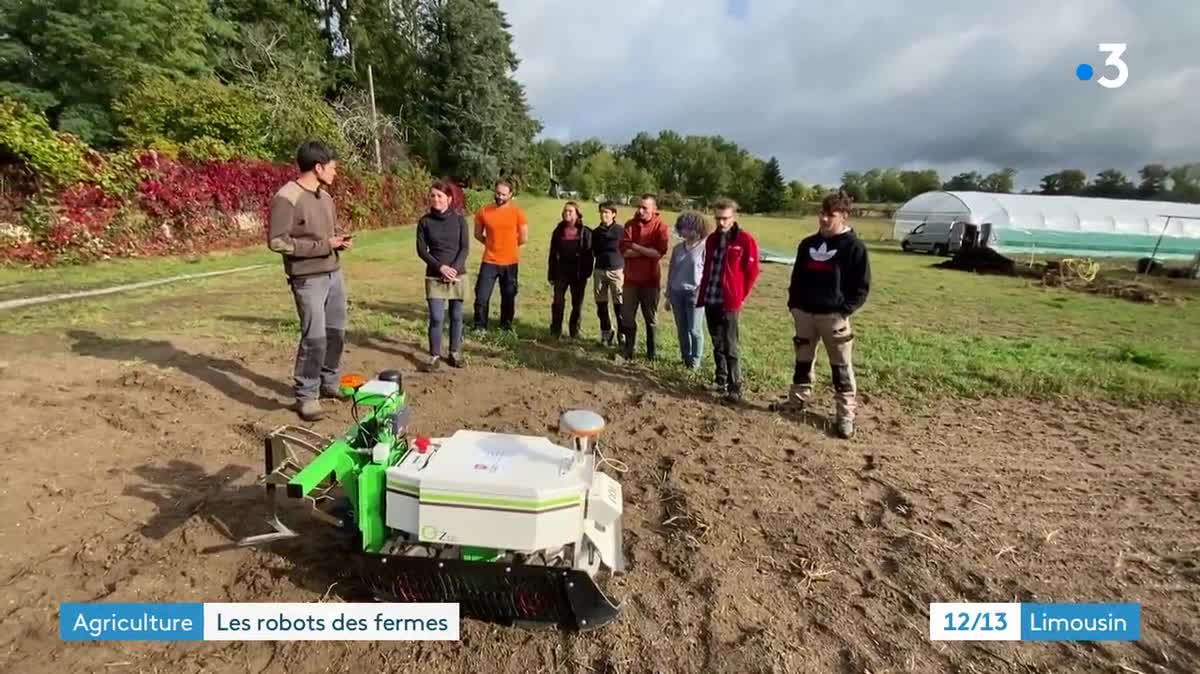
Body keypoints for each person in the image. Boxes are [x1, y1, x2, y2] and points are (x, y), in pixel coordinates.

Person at [267, 140, 352, 422]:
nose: (335, 173)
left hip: (333, 273)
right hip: (307, 279)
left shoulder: (325, 198)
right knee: (314, 338)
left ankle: (329, 382)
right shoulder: (286, 197)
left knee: (336, 332)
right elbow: (277, 242)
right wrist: (322, 246)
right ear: (318, 167)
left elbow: (326, 234)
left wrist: (337, 241)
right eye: (332, 168)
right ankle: (307, 396)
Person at [781, 188, 871, 439]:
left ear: (844, 216)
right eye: (822, 213)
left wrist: (843, 311)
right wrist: (794, 305)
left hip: (834, 318)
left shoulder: (854, 248)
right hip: (804, 316)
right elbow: (797, 277)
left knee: (841, 368)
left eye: (830, 214)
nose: (823, 219)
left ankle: (845, 416)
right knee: (802, 362)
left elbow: (861, 287)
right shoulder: (808, 244)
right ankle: (797, 401)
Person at [695, 198, 760, 402]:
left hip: (729, 301)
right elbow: (707, 269)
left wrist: (740, 296)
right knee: (717, 342)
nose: (721, 223)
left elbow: (752, 272)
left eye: (725, 218)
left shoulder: (745, 241)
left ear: (734, 217)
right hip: (711, 297)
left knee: (731, 345)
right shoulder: (712, 240)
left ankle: (735, 386)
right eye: (718, 218)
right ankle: (720, 380)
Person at [416, 179, 470, 370]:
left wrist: (453, 268)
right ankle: (434, 356)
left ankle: (455, 352)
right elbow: (422, 251)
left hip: (458, 275)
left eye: (439, 196)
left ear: (448, 198)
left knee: (456, 316)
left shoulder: (460, 220)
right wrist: (441, 268)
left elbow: (464, 248)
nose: (435, 199)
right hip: (435, 275)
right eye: (432, 195)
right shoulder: (425, 222)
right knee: (437, 317)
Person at [618, 194, 670, 360]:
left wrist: (635, 246)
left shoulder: (660, 227)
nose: (640, 211)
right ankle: (628, 349)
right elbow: (625, 251)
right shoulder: (629, 225)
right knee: (627, 315)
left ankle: (651, 351)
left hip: (650, 281)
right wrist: (646, 250)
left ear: (654, 209)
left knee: (651, 317)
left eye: (644, 208)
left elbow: (658, 253)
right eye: (638, 207)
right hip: (630, 281)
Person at [472, 179, 528, 331]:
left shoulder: (518, 213)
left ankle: (505, 326)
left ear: (510, 195)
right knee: (482, 296)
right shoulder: (484, 211)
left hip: (510, 263)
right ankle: (479, 326)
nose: (500, 197)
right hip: (489, 261)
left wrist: (508, 246)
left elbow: (523, 238)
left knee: (508, 297)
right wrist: (491, 244)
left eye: (504, 194)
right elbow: (477, 234)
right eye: (498, 193)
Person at [666, 211, 710, 370]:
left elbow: (708, 273)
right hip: (677, 292)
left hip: (695, 294)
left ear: (695, 228)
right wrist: (668, 294)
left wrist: (701, 291)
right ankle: (685, 358)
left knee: (694, 329)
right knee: (682, 328)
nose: (682, 231)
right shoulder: (678, 248)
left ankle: (695, 362)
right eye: (681, 227)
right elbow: (672, 270)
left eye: (685, 227)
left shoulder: (705, 247)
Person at [547, 201, 595, 338]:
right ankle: (555, 330)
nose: (567, 213)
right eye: (565, 211)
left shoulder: (585, 232)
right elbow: (552, 253)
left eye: (570, 211)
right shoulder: (558, 231)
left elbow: (589, 254)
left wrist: (586, 272)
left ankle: (574, 331)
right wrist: (551, 274)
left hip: (578, 273)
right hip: (560, 271)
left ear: (577, 214)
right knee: (558, 302)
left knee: (577, 304)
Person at [591, 201, 625, 347]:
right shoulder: (596, 232)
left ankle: (622, 334)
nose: (603, 215)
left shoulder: (620, 231)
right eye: (601, 212)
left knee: (620, 304)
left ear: (613, 214)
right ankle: (606, 332)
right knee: (601, 304)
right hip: (599, 270)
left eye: (606, 212)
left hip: (616, 271)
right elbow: (594, 250)